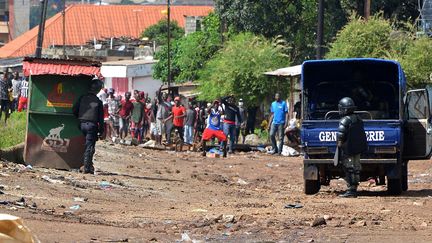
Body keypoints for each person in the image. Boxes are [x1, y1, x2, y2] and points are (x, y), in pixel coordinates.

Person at [336, 97, 368, 198]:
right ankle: (354, 188)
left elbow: (340, 135)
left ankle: (351, 189)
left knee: (349, 168)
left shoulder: (345, 120)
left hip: (348, 150)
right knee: (356, 168)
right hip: (357, 149)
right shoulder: (358, 119)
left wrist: (339, 145)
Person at [72, 78, 104, 174]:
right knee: (89, 147)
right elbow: (100, 119)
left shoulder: (82, 98)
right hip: (92, 126)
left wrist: (80, 118)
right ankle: (86, 167)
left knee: (87, 145)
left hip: (81, 124)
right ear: (98, 90)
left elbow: (74, 110)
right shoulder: (98, 102)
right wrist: (101, 131)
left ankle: (88, 165)